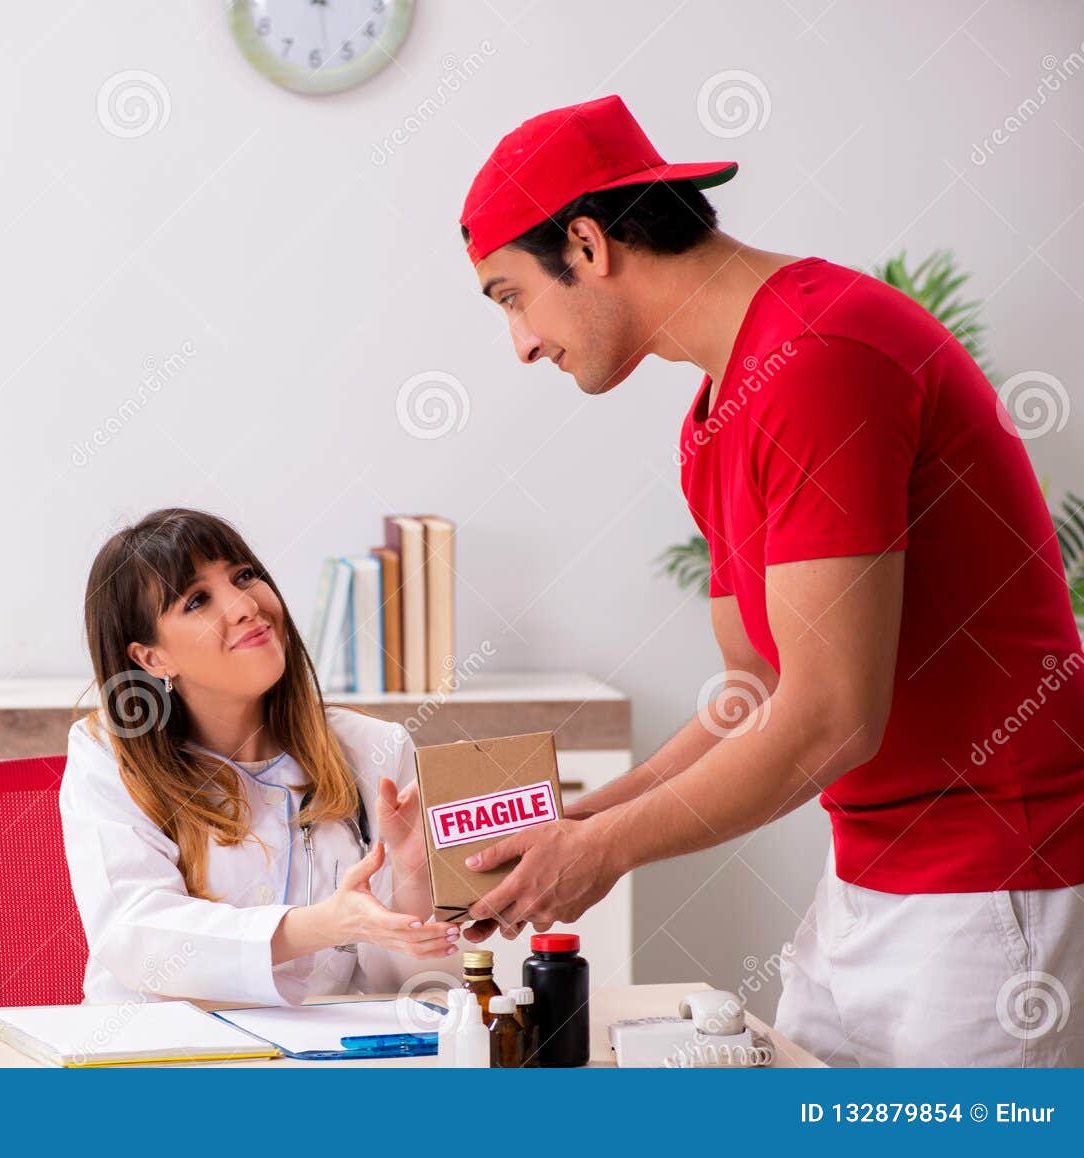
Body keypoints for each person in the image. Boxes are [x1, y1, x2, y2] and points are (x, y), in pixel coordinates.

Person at [454, 95, 1084, 1066]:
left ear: (585, 245)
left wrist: (604, 853)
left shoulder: (818, 357)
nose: (522, 343)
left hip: (986, 888)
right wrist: (593, 816)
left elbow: (832, 716)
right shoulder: (714, 415)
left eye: (509, 296)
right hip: (867, 883)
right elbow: (755, 690)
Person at [61, 507, 462, 1006]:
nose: (246, 605)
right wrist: (320, 926)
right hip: (164, 1062)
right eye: (198, 600)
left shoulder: (374, 749)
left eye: (244, 576)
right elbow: (137, 937)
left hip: (323, 1064)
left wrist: (414, 880)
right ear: (152, 658)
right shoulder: (108, 754)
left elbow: (417, 995)